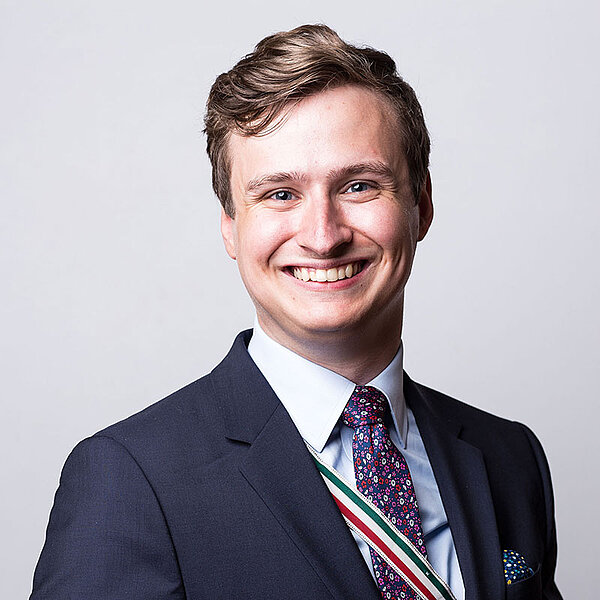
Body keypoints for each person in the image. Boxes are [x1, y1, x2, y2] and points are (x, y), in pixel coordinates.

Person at [30, 24, 562, 600]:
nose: (323, 236)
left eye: (359, 186)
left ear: (422, 205)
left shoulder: (509, 458)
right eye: (280, 194)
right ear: (230, 226)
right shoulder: (130, 480)